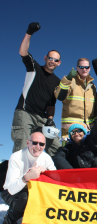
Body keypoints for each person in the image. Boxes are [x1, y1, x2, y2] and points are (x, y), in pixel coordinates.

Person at [11, 22, 61, 157]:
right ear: (45, 58)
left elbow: (51, 104)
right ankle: (18, 177)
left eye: (55, 60)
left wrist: (50, 119)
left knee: (57, 147)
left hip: (43, 118)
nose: (52, 61)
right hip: (25, 113)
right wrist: (29, 33)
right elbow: (23, 52)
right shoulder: (34, 68)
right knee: (22, 147)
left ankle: (56, 175)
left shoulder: (58, 82)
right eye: (50, 58)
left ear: (59, 63)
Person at [1, 132, 56, 224]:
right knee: (24, 198)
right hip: (10, 193)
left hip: (33, 191)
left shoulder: (46, 158)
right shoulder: (16, 157)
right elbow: (11, 190)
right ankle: (11, 218)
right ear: (28, 143)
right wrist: (27, 177)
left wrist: (47, 175)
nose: (38, 147)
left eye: (41, 144)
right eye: (34, 143)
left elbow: (56, 182)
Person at [53, 92, 97, 169]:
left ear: (84, 132)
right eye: (73, 132)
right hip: (78, 176)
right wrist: (72, 173)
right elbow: (58, 158)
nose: (76, 133)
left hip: (95, 173)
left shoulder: (91, 139)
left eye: (79, 130)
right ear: (70, 136)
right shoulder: (69, 147)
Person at [54, 58, 97, 142]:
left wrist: (96, 123)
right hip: (71, 132)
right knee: (70, 154)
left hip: (88, 131)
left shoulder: (92, 86)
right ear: (77, 68)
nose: (84, 69)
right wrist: (67, 79)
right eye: (81, 67)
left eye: (87, 67)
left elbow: (95, 107)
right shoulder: (70, 81)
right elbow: (59, 96)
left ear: (90, 68)